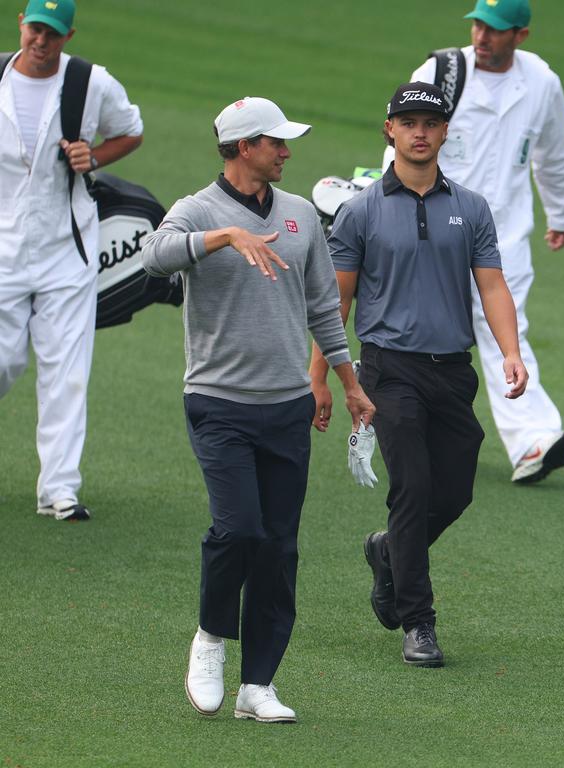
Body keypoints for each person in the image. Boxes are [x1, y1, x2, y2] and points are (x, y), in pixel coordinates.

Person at [141, 97, 374, 722]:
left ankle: (258, 686)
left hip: (287, 406)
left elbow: (324, 307)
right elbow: (152, 256)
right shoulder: (197, 210)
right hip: (218, 402)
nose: (288, 152)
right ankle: (211, 638)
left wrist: (348, 384)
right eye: (277, 142)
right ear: (245, 147)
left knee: (278, 545)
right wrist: (224, 236)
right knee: (237, 529)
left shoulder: (299, 216)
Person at [312, 82, 527, 667]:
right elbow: (338, 304)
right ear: (390, 131)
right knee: (411, 488)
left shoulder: (472, 208)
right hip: (389, 369)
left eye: (429, 123)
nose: (419, 131)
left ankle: (388, 553)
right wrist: (322, 377)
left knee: (454, 490)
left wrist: (511, 351)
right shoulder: (361, 212)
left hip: (453, 372)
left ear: (444, 132)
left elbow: (492, 284)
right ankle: (419, 623)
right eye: (407, 122)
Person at [383, 0, 564, 484]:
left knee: (504, 330)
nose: (481, 37)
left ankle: (535, 438)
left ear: (521, 35)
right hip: (427, 225)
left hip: (503, 232)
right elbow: (401, 139)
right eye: (477, 25)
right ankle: (411, 426)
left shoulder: (541, 83)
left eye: (494, 29)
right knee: (420, 329)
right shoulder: (442, 71)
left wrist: (562, 212)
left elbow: (555, 152)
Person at [0, 0, 143, 521]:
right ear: (20, 22)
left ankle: (59, 490)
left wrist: (94, 157)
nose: (42, 41)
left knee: (67, 371)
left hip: (69, 248)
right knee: (5, 359)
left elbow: (131, 129)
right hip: (3, 250)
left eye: (54, 34)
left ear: (69, 34)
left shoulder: (90, 81)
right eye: (36, 28)